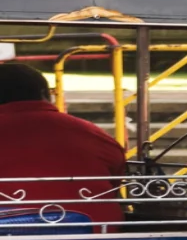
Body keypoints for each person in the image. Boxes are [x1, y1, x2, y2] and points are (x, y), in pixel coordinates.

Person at [0, 63, 127, 226]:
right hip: (98, 234)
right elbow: (115, 176)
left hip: (10, 234)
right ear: (44, 94)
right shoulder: (93, 133)